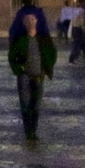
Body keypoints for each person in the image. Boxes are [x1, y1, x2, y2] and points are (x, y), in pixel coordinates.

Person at [7, 12, 56, 141]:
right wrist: (18, 70)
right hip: (24, 76)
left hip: (38, 75)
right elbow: (12, 56)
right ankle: (28, 131)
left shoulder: (43, 38)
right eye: (27, 20)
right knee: (25, 104)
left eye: (32, 20)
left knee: (35, 105)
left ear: (36, 21)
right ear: (24, 23)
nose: (30, 22)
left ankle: (33, 130)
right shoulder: (19, 39)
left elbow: (52, 53)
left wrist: (46, 67)